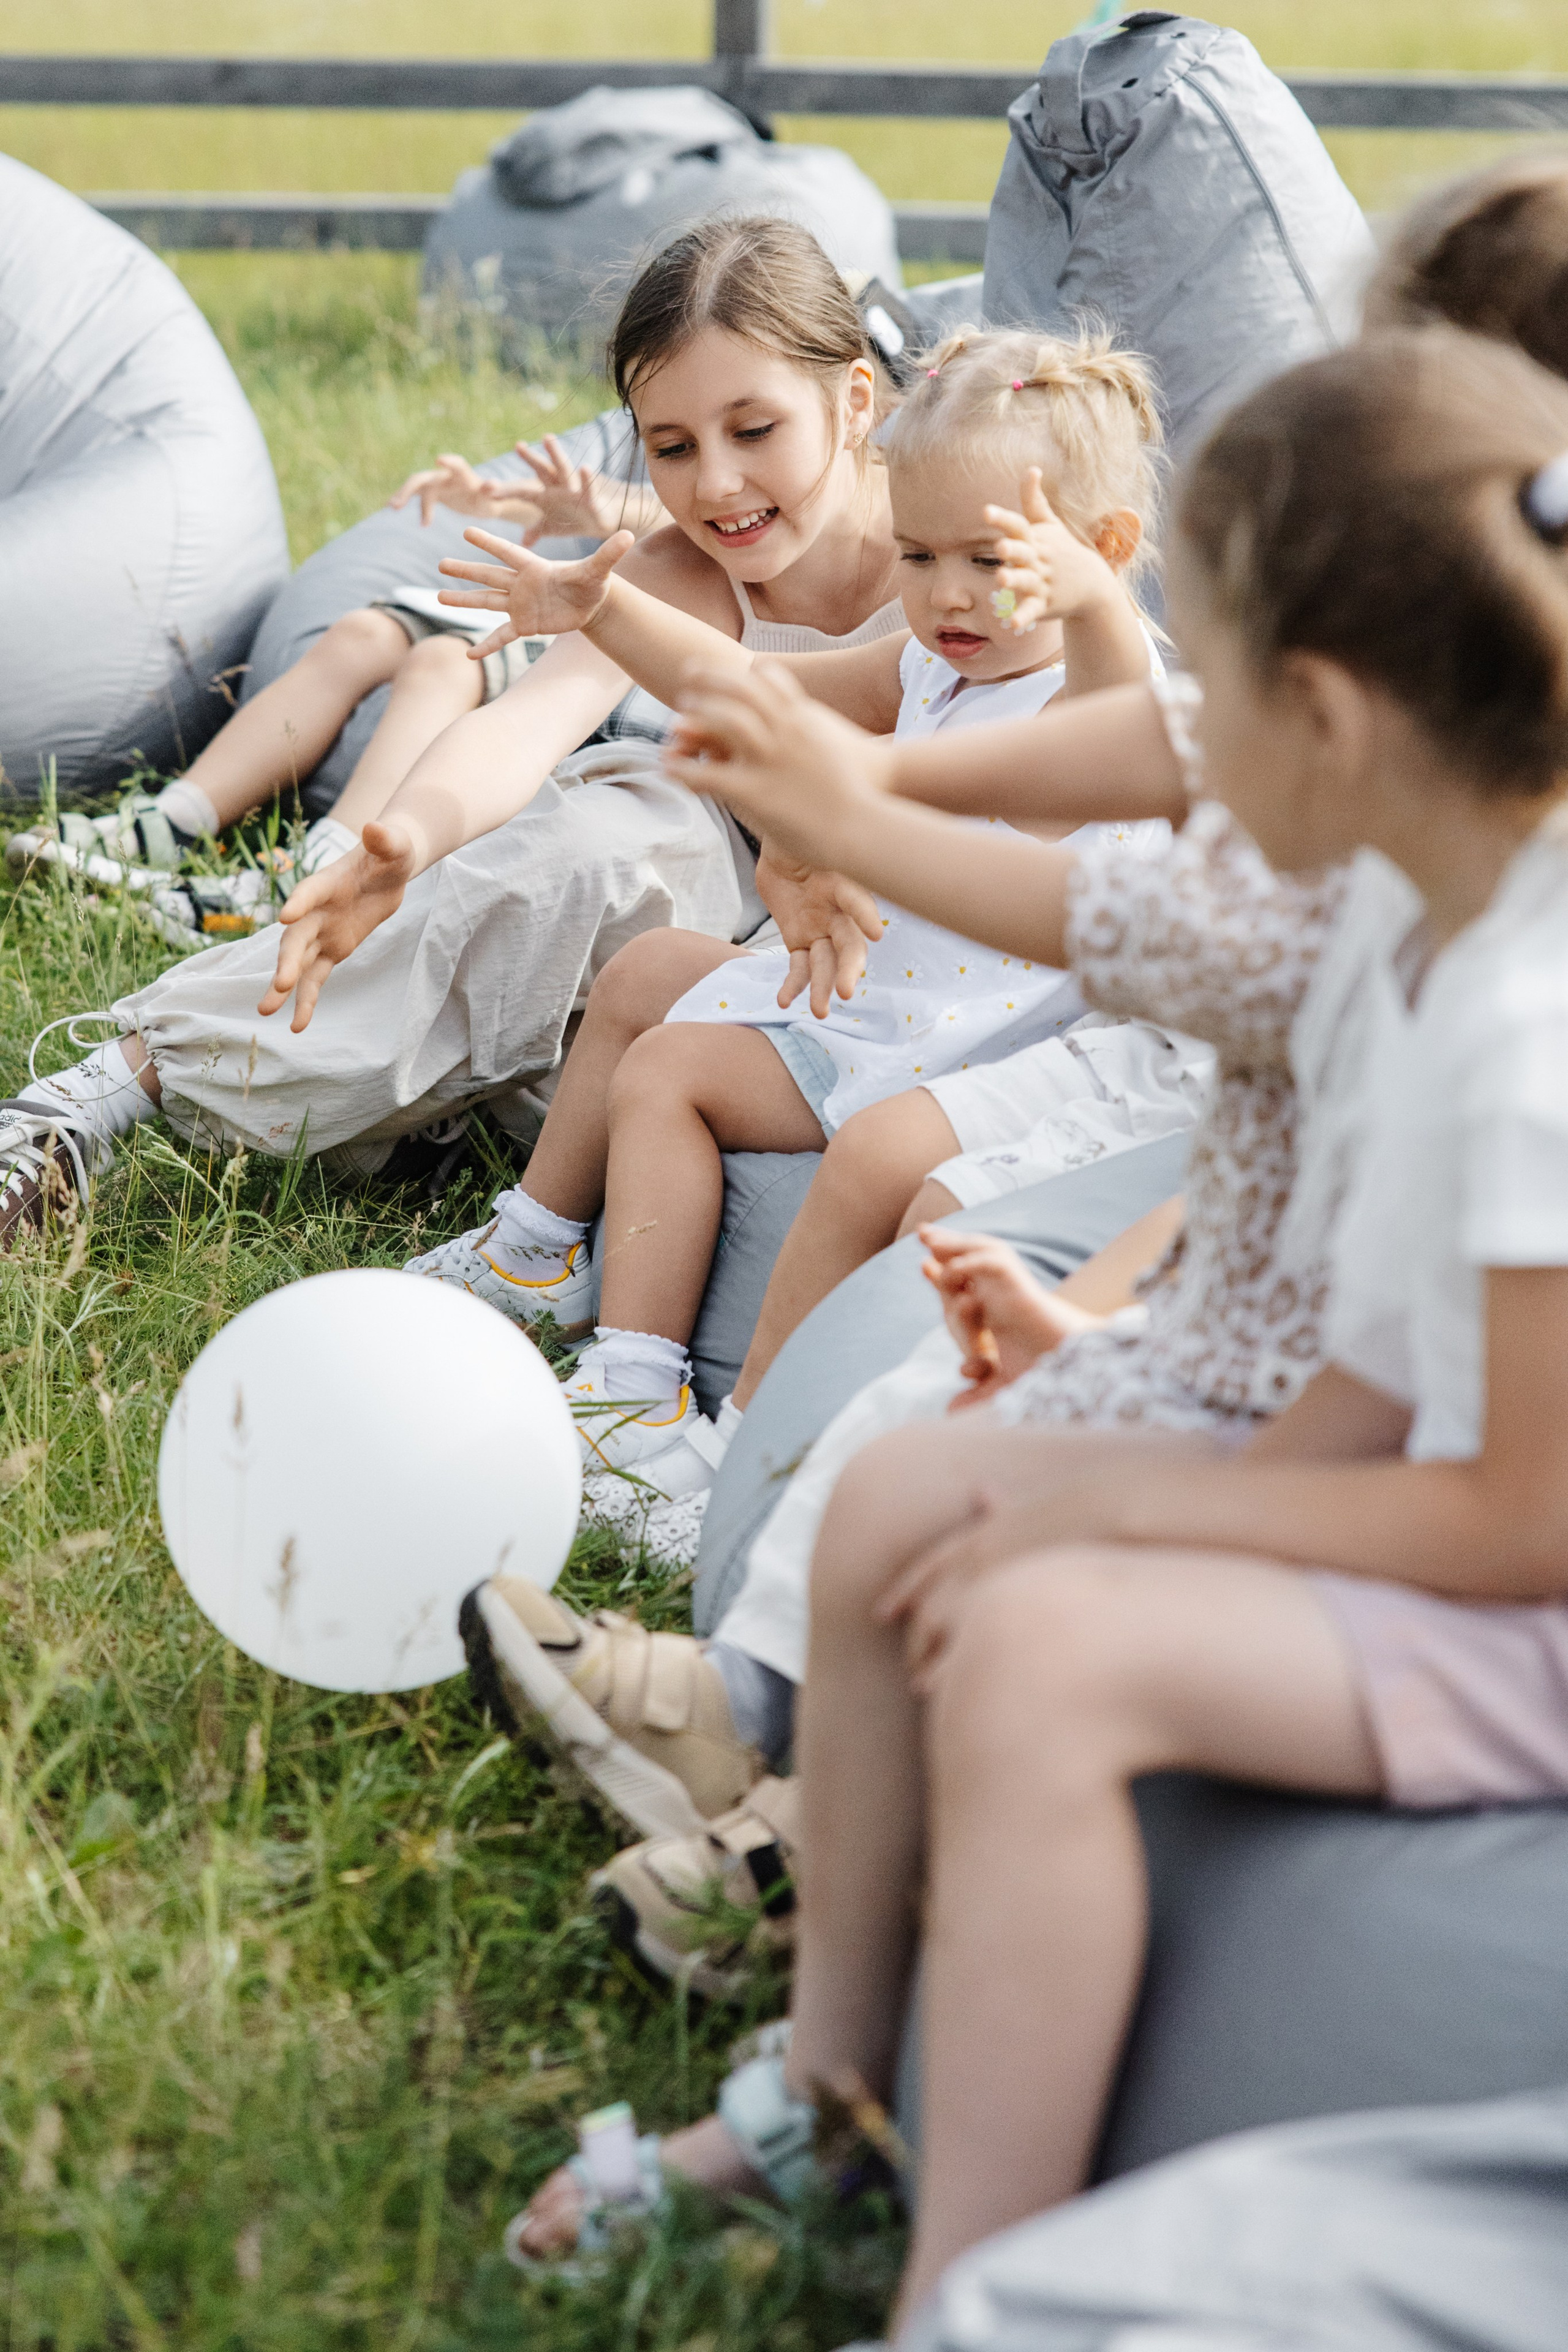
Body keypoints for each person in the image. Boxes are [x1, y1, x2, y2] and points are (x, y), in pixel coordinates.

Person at [501, 330, 1568, 2340]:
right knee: (908, 1488)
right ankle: (826, 2097)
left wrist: (1166, 1522)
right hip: (1414, 1465)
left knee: (1040, 1633)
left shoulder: (1522, 1028)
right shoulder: (1404, 900)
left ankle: (967, 2287)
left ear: (1322, 718)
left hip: (1525, 1586)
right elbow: (1391, 1357)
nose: (1166, 726)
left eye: (1205, 683)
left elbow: (1525, 1514)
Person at [0, 217, 911, 1237]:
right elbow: (522, 730)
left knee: (577, 1005)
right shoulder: (682, 572)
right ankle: (93, 1098)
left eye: (755, 431)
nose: (714, 485)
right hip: (725, 863)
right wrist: (408, 841)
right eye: (672, 447)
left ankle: (432, 1117)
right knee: (596, 841)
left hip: (893, 913)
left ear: (854, 400)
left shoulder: (943, 557)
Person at [408, 328, 1185, 1496]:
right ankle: (533, 1254)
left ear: (1102, 552)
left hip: (954, 1044)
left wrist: (1094, 606)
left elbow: (1119, 723)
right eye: (918, 556)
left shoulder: (1100, 696)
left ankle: (640, 1391)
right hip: (864, 991)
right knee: (644, 974)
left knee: (670, 1071)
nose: (947, 594)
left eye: (990, 559)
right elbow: (752, 685)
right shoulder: (937, 664)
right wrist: (598, 608)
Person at [5, 437, 663, 914]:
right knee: (361, 632)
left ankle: (313, 875)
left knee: (443, 661)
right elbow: (652, 504)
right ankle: (174, 820)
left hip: (627, 659)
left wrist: (608, 509)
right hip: (580, 611)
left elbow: (679, 524)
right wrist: (498, 500)